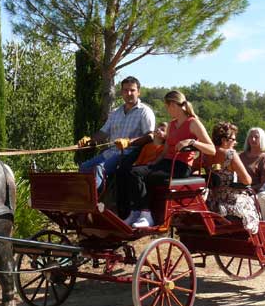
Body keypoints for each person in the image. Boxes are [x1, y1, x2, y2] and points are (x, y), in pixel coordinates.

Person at [124, 90, 215, 228]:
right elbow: (165, 151)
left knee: (145, 175)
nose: (167, 110)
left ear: (173, 105)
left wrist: (192, 142)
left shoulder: (193, 123)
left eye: (167, 106)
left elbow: (211, 149)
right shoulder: (172, 125)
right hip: (166, 163)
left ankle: (146, 215)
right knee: (134, 171)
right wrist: (153, 163)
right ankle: (136, 212)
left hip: (181, 166)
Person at [77, 76, 156, 208]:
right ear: (121, 92)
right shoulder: (115, 113)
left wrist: (129, 142)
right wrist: (90, 140)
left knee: (99, 169)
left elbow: (150, 136)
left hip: (129, 154)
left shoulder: (145, 112)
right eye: (125, 90)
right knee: (84, 167)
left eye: (132, 90)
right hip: (110, 153)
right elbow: (103, 133)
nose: (129, 93)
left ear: (138, 92)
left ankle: (92, 204)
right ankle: (78, 200)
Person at [206, 122, 260, 235]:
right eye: (233, 139)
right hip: (229, 202)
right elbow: (247, 180)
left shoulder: (206, 154)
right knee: (254, 201)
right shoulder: (230, 154)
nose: (235, 143)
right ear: (224, 140)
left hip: (212, 202)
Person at [239, 127, 265, 191]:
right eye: (251, 137)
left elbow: (264, 184)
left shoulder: (264, 159)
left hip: (253, 193)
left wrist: (249, 189)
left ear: (262, 140)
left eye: (256, 137)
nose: (253, 139)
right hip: (238, 189)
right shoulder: (241, 156)